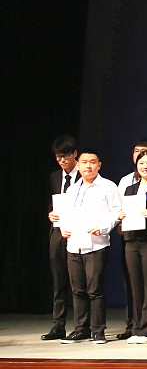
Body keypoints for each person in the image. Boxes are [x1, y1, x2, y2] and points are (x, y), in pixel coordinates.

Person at [54, 149, 121, 344]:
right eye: (84, 162)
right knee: (77, 290)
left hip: (96, 244)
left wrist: (103, 227)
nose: (88, 166)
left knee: (95, 289)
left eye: (92, 162)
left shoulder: (107, 186)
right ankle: (80, 329)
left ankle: (98, 330)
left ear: (99, 165)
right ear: (78, 165)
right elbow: (64, 214)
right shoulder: (72, 189)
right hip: (74, 244)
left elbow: (117, 212)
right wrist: (62, 227)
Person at [114, 139, 147, 340]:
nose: (145, 167)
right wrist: (121, 215)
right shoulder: (130, 189)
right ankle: (136, 327)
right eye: (141, 163)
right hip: (131, 241)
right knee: (135, 286)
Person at [42, 135, 78, 340]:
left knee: (79, 281)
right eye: (58, 157)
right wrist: (51, 213)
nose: (62, 160)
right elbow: (52, 202)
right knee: (58, 280)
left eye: (65, 156)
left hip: (78, 232)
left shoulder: (84, 175)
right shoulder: (55, 177)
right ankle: (58, 325)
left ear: (74, 154)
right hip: (57, 232)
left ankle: (83, 324)